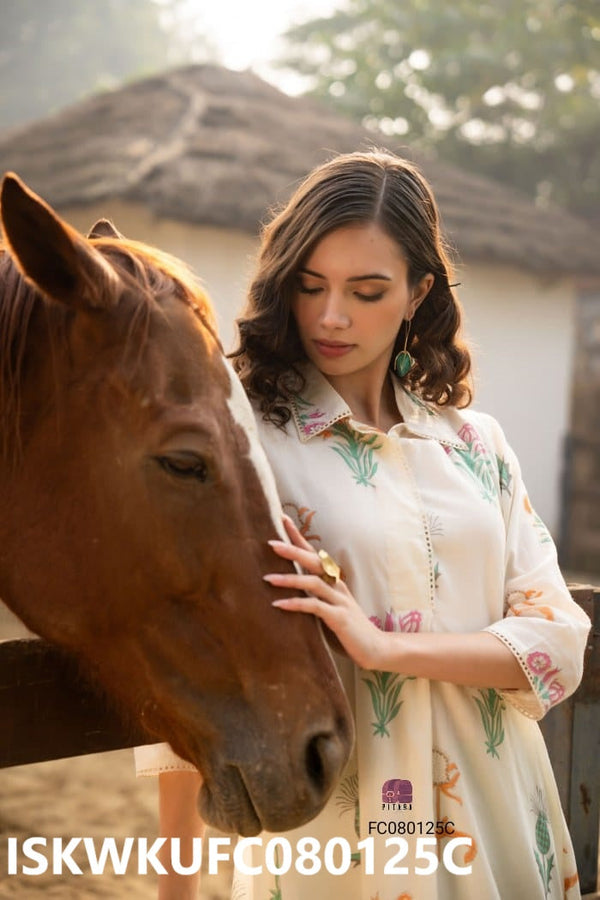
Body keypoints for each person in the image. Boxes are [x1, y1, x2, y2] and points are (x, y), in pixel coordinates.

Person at [135, 149, 591, 900]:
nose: (331, 316)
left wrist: (383, 646)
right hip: (342, 837)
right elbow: (188, 659)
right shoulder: (245, 445)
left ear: (418, 292)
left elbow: (559, 641)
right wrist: (176, 894)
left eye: (367, 291)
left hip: (499, 811)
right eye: (309, 287)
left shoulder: (478, 446)